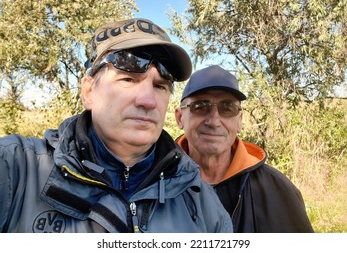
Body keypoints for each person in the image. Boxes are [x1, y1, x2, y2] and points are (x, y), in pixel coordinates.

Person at [0, 19, 233, 233]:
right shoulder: (16, 169)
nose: (148, 100)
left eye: (160, 86)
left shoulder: (200, 200)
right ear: (89, 91)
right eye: (128, 79)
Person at [175, 65, 314, 233]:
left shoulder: (278, 190)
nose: (214, 121)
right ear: (180, 117)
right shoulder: (154, 184)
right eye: (200, 106)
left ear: (239, 120)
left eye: (227, 108)